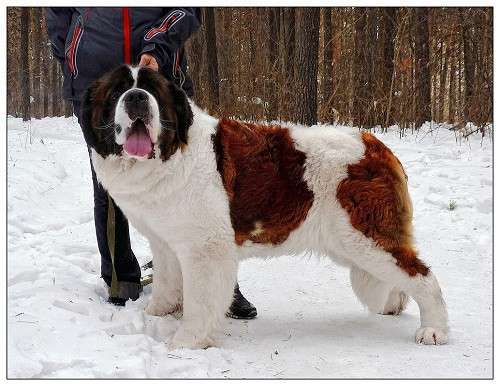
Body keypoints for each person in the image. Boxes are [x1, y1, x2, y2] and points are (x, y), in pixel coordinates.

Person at [45, 7, 257, 319]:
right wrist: (71, 60)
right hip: (98, 76)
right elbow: (57, 12)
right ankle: (122, 279)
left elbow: (188, 8)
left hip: (161, 74)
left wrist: (158, 44)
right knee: (110, 181)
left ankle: (217, 285)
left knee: (195, 181)